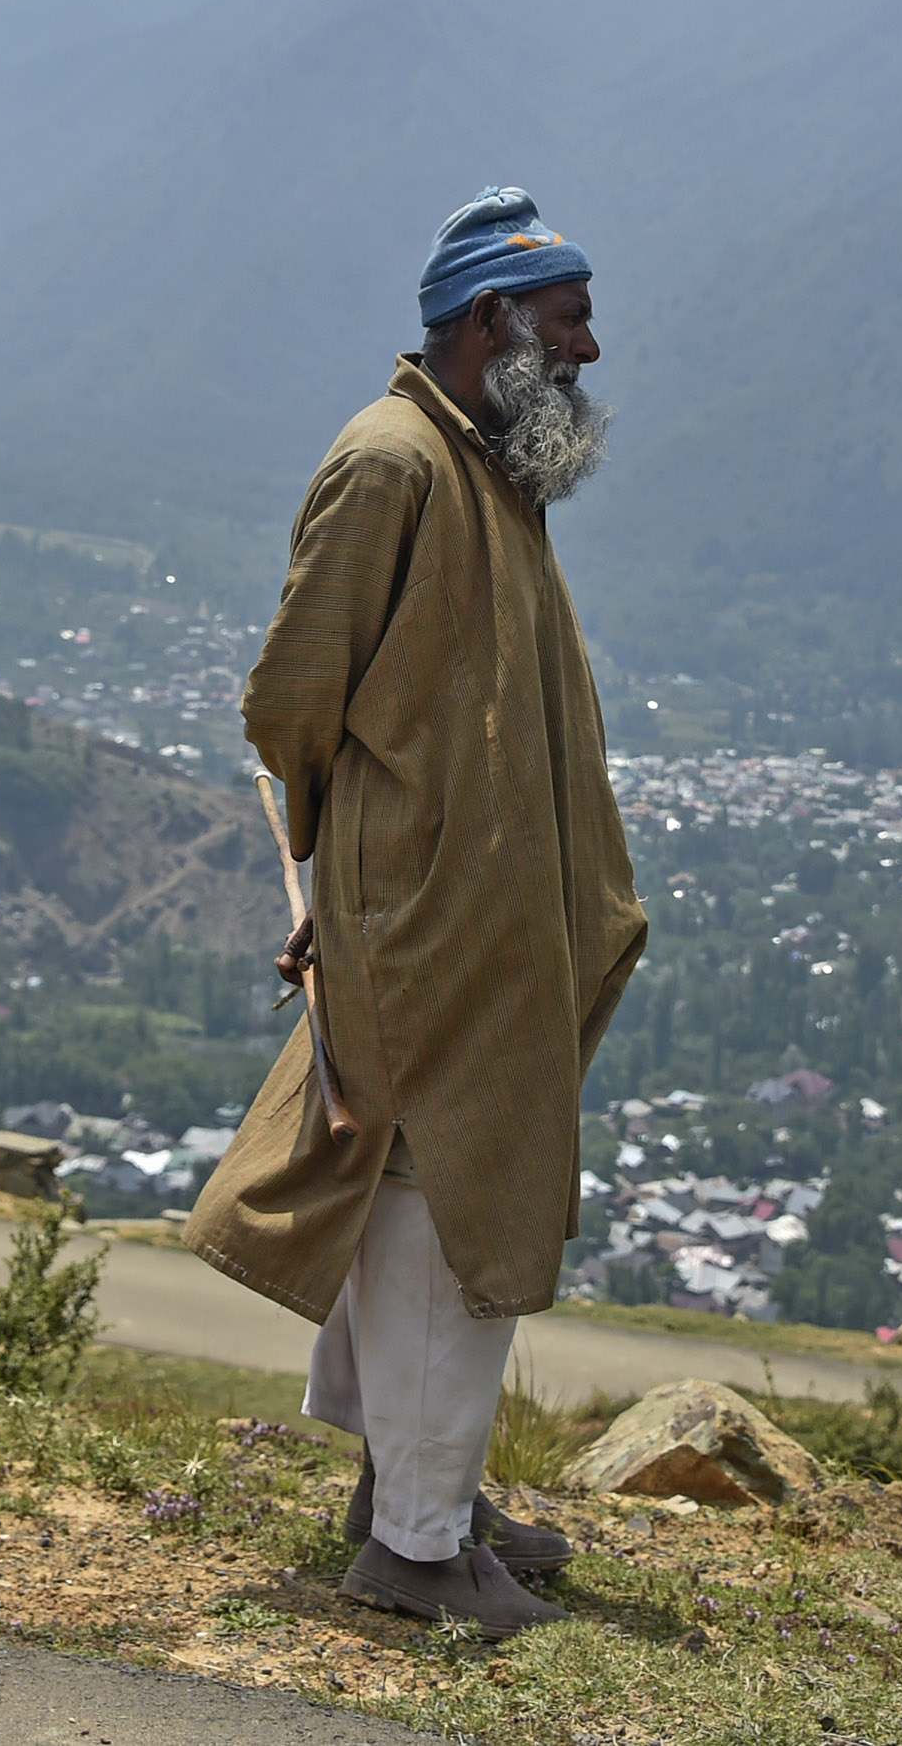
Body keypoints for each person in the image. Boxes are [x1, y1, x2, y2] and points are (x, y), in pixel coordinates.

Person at [184, 185, 650, 1638]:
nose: (590, 345)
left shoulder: (482, 465)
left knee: (443, 1193)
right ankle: (415, 1548)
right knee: (445, 1207)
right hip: (431, 922)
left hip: (478, 925)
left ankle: (419, 1489)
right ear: (492, 323)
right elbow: (293, 699)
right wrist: (355, 870)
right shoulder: (394, 466)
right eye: (568, 317)